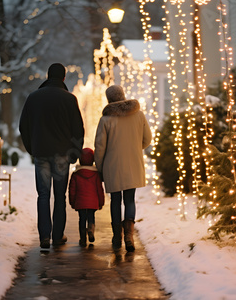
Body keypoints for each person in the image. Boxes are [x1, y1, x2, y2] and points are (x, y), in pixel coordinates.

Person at [19, 63, 84, 249]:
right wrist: (75, 153)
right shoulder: (70, 99)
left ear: (47, 76)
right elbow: (78, 129)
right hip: (63, 154)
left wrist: (33, 148)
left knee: (43, 195)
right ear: (63, 78)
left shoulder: (33, 98)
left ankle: (44, 236)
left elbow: (23, 126)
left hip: (41, 152)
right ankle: (57, 236)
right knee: (60, 196)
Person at [94, 85, 152, 252]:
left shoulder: (105, 120)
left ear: (109, 99)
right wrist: (134, 147)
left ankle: (116, 236)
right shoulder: (138, 115)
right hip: (133, 163)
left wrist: (100, 166)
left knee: (115, 201)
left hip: (112, 165)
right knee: (129, 199)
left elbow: (99, 147)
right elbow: (147, 139)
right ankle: (129, 235)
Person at [69, 148, 105, 247]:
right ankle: (91, 229)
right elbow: (99, 190)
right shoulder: (96, 174)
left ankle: (82, 238)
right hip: (92, 203)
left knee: (81, 219)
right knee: (91, 217)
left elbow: (72, 190)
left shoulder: (76, 174)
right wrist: (101, 202)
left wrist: (72, 202)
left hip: (80, 203)